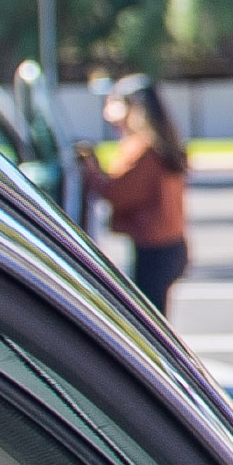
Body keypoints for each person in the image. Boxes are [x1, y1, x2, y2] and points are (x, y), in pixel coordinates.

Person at [83, 77, 191, 312]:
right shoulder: (162, 144)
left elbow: (116, 192)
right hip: (170, 244)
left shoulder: (143, 150)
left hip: (153, 248)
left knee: (149, 322)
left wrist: (90, 171)